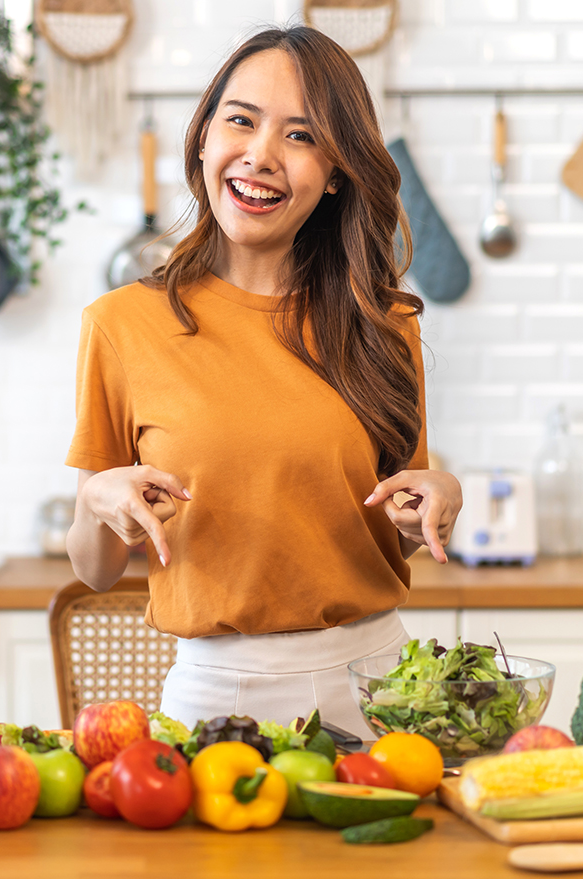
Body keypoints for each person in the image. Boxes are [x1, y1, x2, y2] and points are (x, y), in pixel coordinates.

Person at [65, 25, 462, 736]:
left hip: (376, 686)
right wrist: (97, 500)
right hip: (214, 694)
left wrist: (434, 504)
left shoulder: (384, 324)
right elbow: (94, 571)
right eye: (241, 120)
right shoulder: (121, 324)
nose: (261, 155)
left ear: (336, 172)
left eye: (301, 136)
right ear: (203, 139)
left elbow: (396, 528)